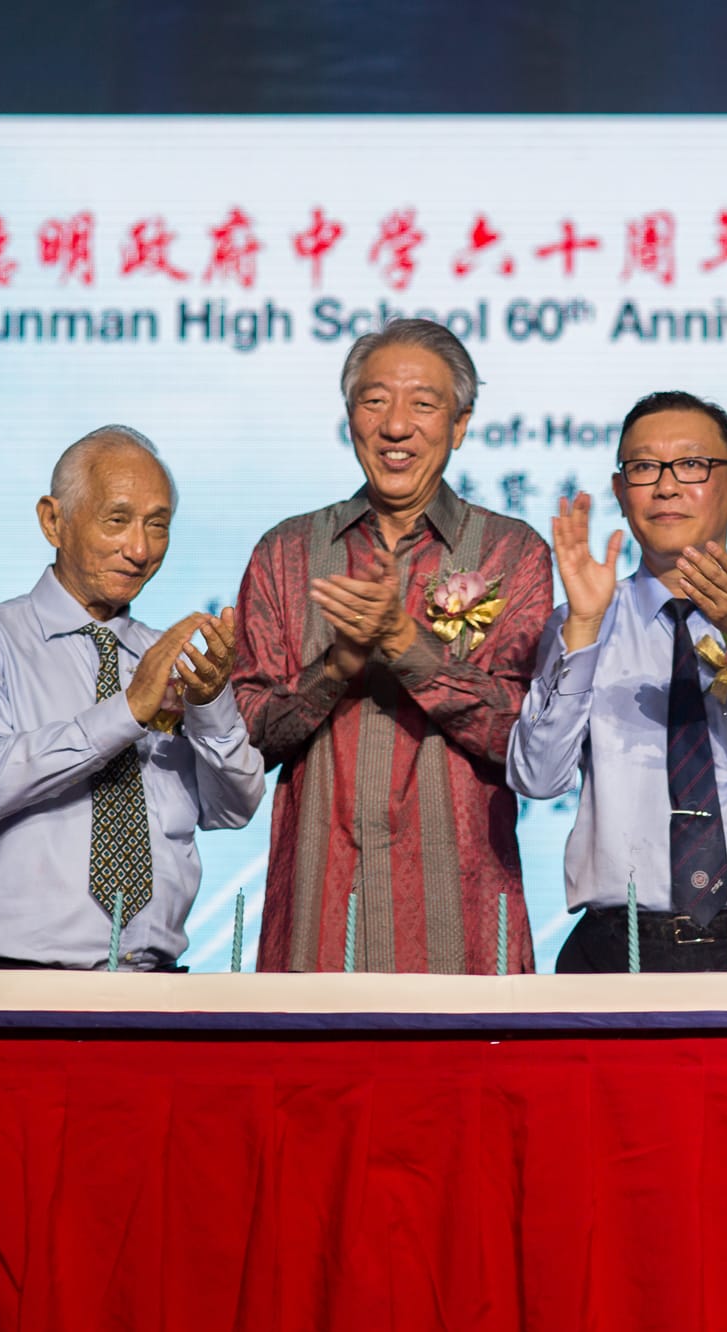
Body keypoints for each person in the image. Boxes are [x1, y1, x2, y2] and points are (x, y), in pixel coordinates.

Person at [233, 319, 551, 973]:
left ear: (460, 424)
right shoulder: (287, 553)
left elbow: (524, 737)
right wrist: (340, 664)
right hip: (316, 926)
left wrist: (405, 642)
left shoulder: (513, 553)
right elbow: (244, 740)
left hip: (460, 929)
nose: (396, 425)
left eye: (423, 404)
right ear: (349, 416)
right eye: (374, 401)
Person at [507, 390, 727, 972]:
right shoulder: (584, 620)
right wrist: (584, 633)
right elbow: (538, 778)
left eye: (692, 465)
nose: (666, 486)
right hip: (617, 948)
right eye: (644, 468)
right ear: (621, 494)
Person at [0, 425, 263, 1007]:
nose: (140, 548)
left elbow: (234, 810)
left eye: (157, 525)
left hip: (151, 988)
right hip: (10, 983)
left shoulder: (170, 656)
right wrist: (129, 710)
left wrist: (210, 706)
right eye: (117, 520)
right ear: (52, 521)